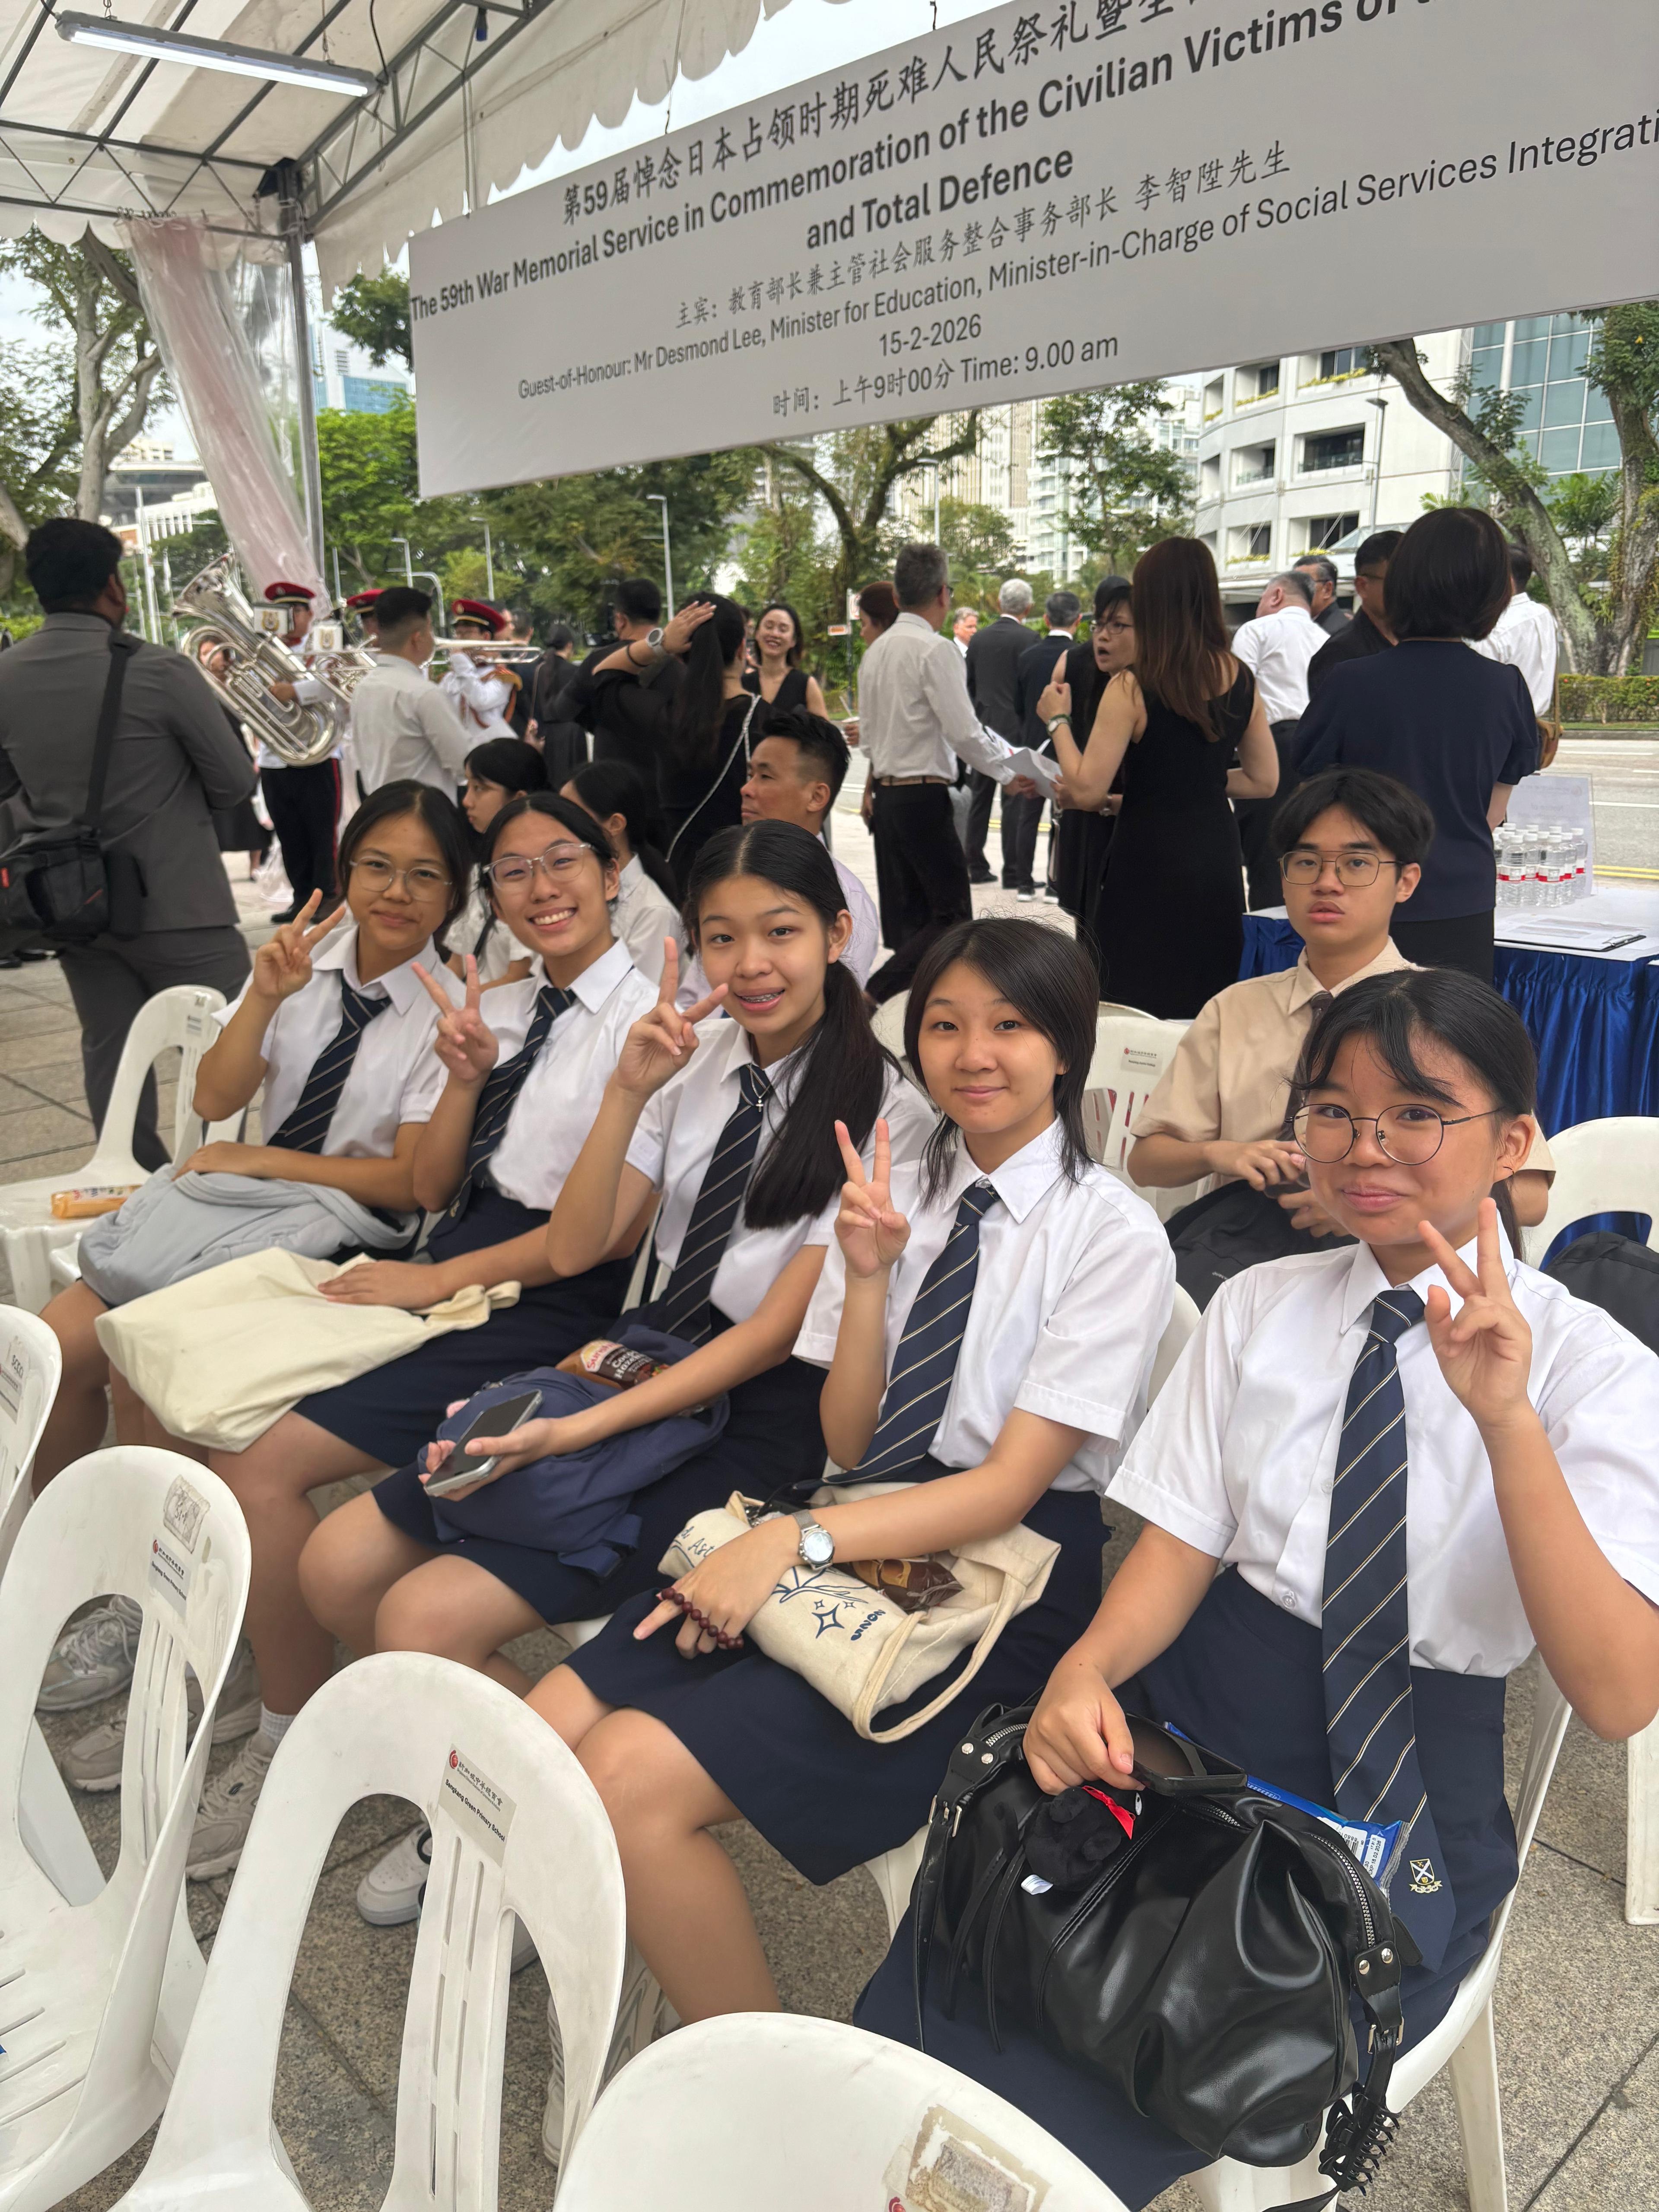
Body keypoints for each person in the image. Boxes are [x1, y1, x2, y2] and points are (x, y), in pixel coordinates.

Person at [858, 968, 1659, 2206]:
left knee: (1116, 2073)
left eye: (1415, 1113)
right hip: (1188, 1724)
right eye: (1333, 1110)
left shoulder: (1594, 1374)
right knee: (957, 1985)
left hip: (1393, 1784)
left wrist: (1506, 1422)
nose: (1365, 1145)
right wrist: (1084, 1672)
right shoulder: (1259, 1307)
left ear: (1513, 1140)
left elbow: (1615, 1693)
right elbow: (1176, 1549)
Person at [518, 916, 1172, 2058]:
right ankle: (649, 1944)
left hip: (1003, 1579)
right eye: (945, 1025)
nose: (973, 1053)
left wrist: (795, 1547)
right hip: (864, 1510)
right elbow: (850, 1433)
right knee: (546, 1728)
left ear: (1065, 1047)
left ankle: (763, 2102)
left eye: (1010, 1027)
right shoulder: (895, 1177)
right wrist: (867, 1282)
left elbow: (1010, 1489)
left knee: (625, 1776)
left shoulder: (1108, 1235)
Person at [302, 821, 934, 1927]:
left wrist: (579, 1433)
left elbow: (773, 1336)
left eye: (780, 932)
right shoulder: (700, 1058)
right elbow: (581, 1242)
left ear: (838, 934)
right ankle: (524, 1801)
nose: (750, 964)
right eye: (721, 936)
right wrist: (628, 1092)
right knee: (338, 1563)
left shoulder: (889, 1114)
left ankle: (512, 1832)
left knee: (420, 1615)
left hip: (748, 1417)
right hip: (629, 1361)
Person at [178, 792, 660, 1874]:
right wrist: (464, 1075)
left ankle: (294, 1731)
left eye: (562, 862)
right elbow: (437, 1179)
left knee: (259, 1463)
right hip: (445, 1257)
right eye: (514, 874)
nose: (542, 889)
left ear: (611, 867)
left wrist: (432, 1276)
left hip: (537, 1291)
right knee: (202, 1396)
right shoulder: (505, 1000)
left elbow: (585, 1243)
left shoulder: (649, 1026)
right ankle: (261, 1677)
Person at [38, 786, 474, 1756]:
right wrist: (267, 995)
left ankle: (191, 1609)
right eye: (376, 867)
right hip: (232, 1219)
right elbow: (217, 1093)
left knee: (145, 1367)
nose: (395, 893)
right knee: (57, 1346)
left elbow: (411, 1181)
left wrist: (266, 1158)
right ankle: (93, 1571)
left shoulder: (450, 1006)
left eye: (425, 874)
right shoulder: (301, 964)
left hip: (344, 1237)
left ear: (455, 893)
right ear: (345, 869)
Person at [1127, 766, 1555, 1244]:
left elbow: (1532, 1192)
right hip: (1249, 1259)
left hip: (1403, 1269)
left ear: (1406, 881)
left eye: (1356, 864)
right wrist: (1220, 1154)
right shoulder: (1235, 1009)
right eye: (1307, 862)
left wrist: (1386, 1209)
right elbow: (1147, 1162)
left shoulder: (1448, 1015)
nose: (1327, 883)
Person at [0, 518, 254, 1169]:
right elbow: (233, 782)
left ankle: (131, 1183)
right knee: (238, 1043)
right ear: (113, 586)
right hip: (180, 905)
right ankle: (229, 1179)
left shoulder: (7, 675)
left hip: (74, 905)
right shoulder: (158, 671)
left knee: (112, 1053)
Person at [1295, 509, 1540, 983]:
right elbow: (1492, 811)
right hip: (1462, 902)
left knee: (1354, 1040)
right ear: (1493, 594)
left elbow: (1315, 798)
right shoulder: (1505, 686)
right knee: (1452, 1045)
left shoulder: (1350, 682)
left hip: (1362, 897)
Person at [1041, 538, 1278, 1018]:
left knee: (1133, 1003)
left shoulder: (1134, 683)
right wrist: (1198, 783)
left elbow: (1085, 789)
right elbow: (1263, 780)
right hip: (1215, 858)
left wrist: (1057, 720)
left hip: (1147, 862)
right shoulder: (1241, 677)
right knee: (1206, 1004)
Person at [859, 544, 1030, 1005]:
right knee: (952, 918)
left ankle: (911, 1016)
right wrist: (1008, 773)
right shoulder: (935, 651)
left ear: (895, 597)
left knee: (914, 920)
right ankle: (873, 994)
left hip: (889, 799)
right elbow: (965, 733)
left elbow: (870, 740)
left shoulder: (875, 654)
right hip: (921, 797)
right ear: (942, 595)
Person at [738, 707, 879, 986]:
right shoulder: (732, 876)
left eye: (765, 777)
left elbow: (836, 1011)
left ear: (817, 796)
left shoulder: (846, 902)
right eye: (750, 775)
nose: (747, 789)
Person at [1050, 579, 1135, 962]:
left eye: (1116, 626)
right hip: (1086, 801)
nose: (1103, 636)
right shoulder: (1074, 662)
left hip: (1120, 809)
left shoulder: (1142, 683)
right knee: (1088, 927)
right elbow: (1054, 714)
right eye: (1099, 625)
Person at [1230, 570, 1324, 910]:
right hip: (1321, 752)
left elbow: (1238, 694)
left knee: (1267, 860)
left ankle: (1267, 954)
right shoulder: (1327, 638)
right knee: (1313, 859)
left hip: (1270, 746)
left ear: (1276, 596)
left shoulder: (1257, 630)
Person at [257, 580, 345, 923]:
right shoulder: (261, 650)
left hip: (318, 755)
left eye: (297, 610)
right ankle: (300, 898)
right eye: (283, 612)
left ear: (310, 615)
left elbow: (334, 685)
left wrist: (294, 690)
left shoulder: (323, 646)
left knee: (321, 832)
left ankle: (325, 897)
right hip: (275, 757)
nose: (290, 618)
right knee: (289, 832)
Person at [563, 756, 686, 985]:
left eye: (572, 817)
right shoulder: (571, 891)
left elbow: (635, 1006)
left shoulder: (654, 913)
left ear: (615, 825)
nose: (559, 828)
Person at [348, 586, 473, 797]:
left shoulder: (362, 689)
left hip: (379, 813)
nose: (433, 639)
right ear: (417, 638)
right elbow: (464, 763)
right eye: (430, 630)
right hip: (424, 818)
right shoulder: (424, 694)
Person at [446, 737, 549, 984]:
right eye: (468, 786)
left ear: (517, 798)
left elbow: (517, 977)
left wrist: (457, 1004)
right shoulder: (479, 869)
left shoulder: (537, 878)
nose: (467, 801)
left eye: (480, 788)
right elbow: (458, 961)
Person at [563, 580, 684, 769]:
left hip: (611, 776)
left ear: (620, 620)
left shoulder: (599, 660)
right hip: (664, 777)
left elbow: (567, 707)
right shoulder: (679, 661)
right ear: (659, 615)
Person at [1008, 591, 1081, 901]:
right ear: (1079, 621)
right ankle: (1056, 884)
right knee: (1062, 815)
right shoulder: (1081, 657)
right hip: (1069, 747)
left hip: (1034, 747)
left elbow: (1018, 706)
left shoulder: (1027, 657)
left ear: (1046, 619)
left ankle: (1024, 884)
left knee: (1029, 815)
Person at [966, 579, 1036, 888]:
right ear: (1028, 608)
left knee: (980, 799)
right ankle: (1013, 872)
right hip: (1016, 731)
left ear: (999, 604)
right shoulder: (1030, 639)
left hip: (982, 728)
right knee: (1015, 803)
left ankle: (976, 866)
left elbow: (968, 686)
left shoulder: (978, 640)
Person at [1308, 530, 1401, 695]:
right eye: (1399, 581)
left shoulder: (1419, 642)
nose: (1410, 591)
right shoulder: (1339, 656)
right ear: (1362, 586)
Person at [1471, 543, 1559, 718]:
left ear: (1507, 580)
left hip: (1502, 728)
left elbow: (1480, 694)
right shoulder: (1544, 616)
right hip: (1535, 729)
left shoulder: (1494, 630)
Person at [441, 598, 518, 743]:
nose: (459, 639)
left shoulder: (501, 677)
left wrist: (460, 661)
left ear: (486, 637)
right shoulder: (451, 676)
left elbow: (479, 700)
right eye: (458, 634)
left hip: (489, 753)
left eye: (467, 633)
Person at [742, 603, 827, 716]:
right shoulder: (742, 684)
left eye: (783, 629)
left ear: (794, 640)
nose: (775, 634)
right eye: (769, 627)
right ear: (757, 634)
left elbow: (825, 733)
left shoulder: (806, 685)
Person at [528, 620, 587, 782]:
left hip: (548, 735)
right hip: (573, 734)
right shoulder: (575, 672)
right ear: (569, 645)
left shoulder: (540, 670)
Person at [1293, 550, 1349, 636]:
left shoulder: (1334, 632)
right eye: (1294, 584)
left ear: (1327, 590)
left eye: (1304, 584)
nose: (1295, 591)